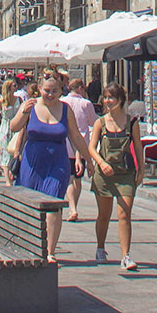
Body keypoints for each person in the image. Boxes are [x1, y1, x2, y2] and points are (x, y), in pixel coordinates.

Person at [11, 72, 86, 263]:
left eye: (54, 91)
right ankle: (29, 245)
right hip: (32, 164)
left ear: (61, 91)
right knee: (29, 204)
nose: (50, 95)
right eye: (46, 91)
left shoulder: (66, 109)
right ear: (39, 90)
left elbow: (75, 136)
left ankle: (50, 252)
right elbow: (14, 126)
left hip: (57, 165)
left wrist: (89, 159)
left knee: (53, 206)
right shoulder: (30, 105)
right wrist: (25, 112)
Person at [87, 84, 143, 270]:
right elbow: (91, 147)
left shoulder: (132, 123)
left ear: (120, 100)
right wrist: (101, 163)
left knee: (124, 213)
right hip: (104, 175)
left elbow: (137, 147)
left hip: (125, 173)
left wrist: (141, 170)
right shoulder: (100, 123)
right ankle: (100, 247)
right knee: (104, 215)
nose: (107, 101)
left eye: (111, 97)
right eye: (105, 97)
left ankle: (125, 256)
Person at [61, 77, 97, 223]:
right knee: (77, 179)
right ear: (81, 89)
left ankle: (72, 208)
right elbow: (93, 121)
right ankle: (73, 207)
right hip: (81, 146)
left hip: (65, 144)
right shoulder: (85, 103)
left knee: (69, 179)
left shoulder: (63, 102)